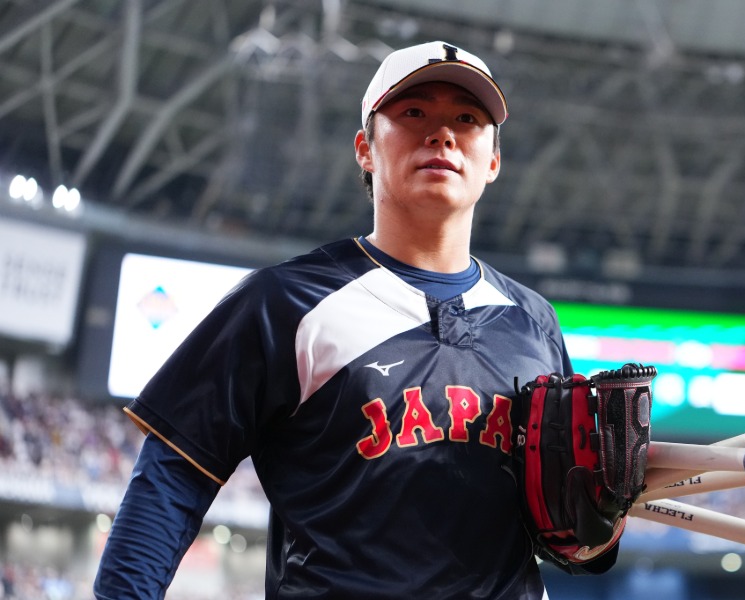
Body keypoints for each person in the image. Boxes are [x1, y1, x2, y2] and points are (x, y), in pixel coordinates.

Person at [94, 40, 619, 599]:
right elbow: (171, 481)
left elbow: (577, 550)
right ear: (366, 148)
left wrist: (604, 515)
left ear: (492, 161)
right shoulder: (284, 302)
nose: (442, 134)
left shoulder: (535, 321)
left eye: (467, 119)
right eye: (413, 112)